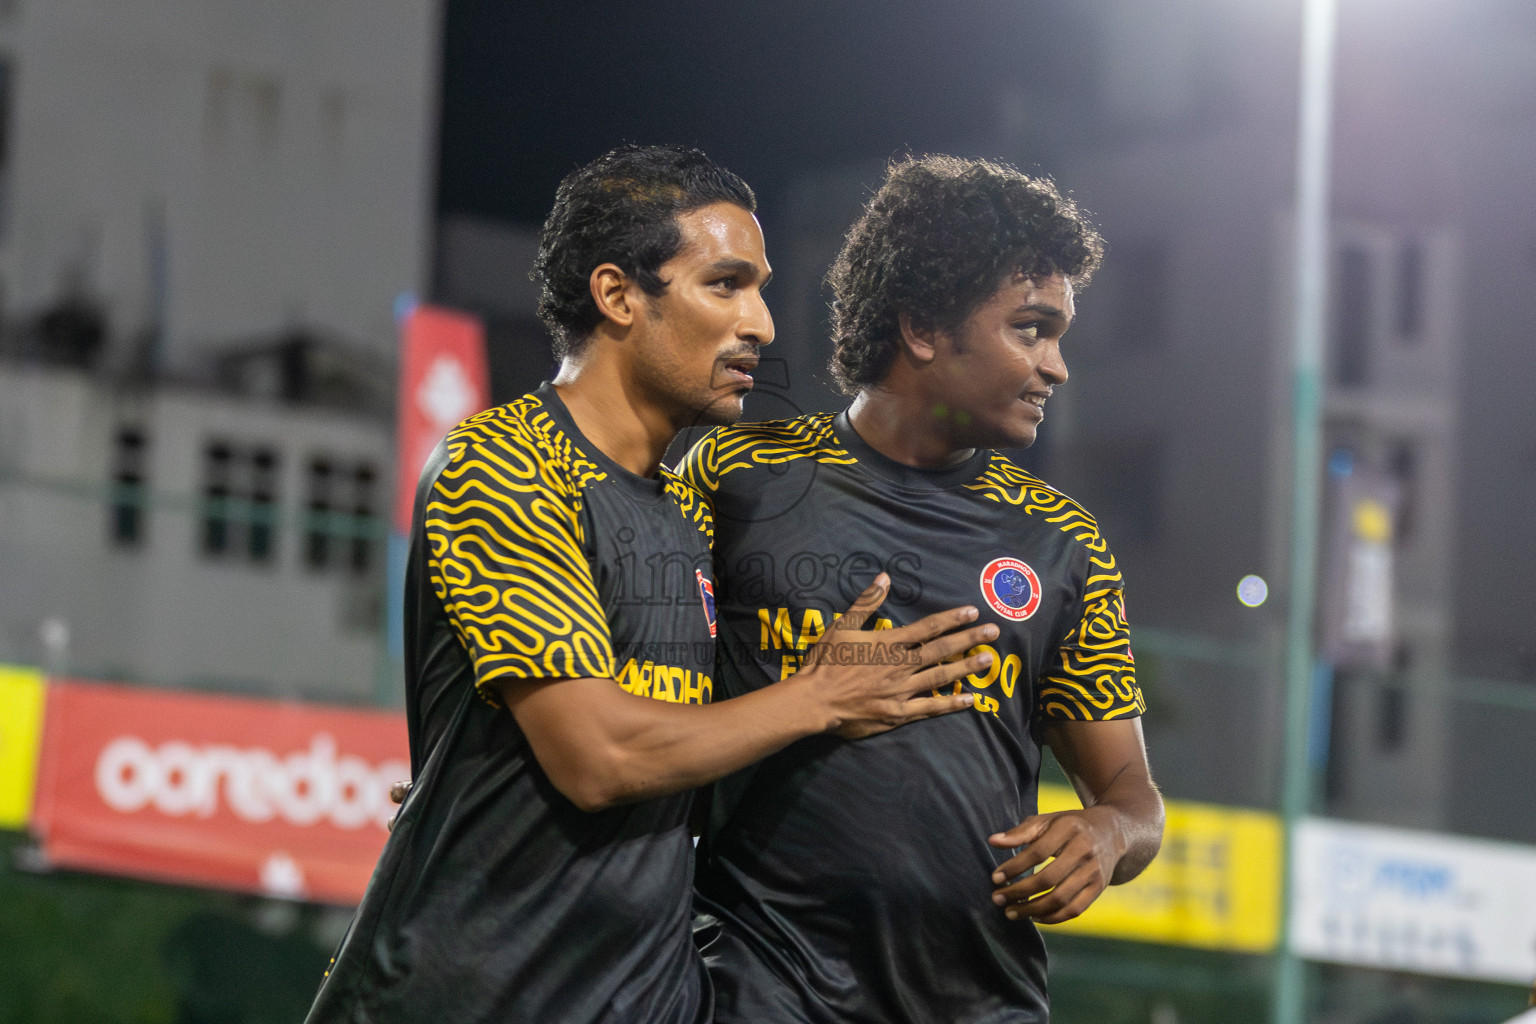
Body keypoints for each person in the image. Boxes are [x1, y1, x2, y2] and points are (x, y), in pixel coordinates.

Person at [303, 146, 996, 1024]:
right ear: (620, 295)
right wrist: (815, 698)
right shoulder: (505, 462)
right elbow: (600, 757)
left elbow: (691, 762)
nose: (763, 324)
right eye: (726, 284)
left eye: (761, 288)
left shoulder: (688, 513)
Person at [678, 154, 1166, 1024]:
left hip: (981, 999)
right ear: (922, 327)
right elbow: (623, 689)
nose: (1056, 367)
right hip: (759, 985)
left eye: (1060, 335)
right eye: (1030, 329)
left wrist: (1107, 833)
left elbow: (1132, 792)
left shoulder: (1062, 542)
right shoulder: (736, 476)